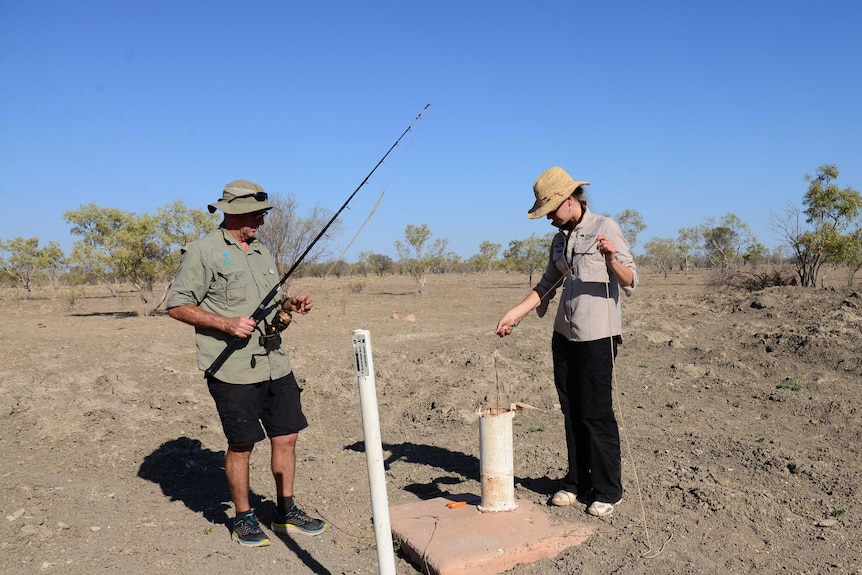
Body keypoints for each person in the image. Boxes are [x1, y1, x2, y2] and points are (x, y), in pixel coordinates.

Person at [166, 180, 326, 546]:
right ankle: (243, 516)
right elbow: (177, 305)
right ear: (233, 212)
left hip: (275, 362)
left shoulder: (261, 252)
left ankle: (285, 511)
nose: (263, 222)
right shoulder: (203, 252)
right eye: (257, 214)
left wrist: (289, 305)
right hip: (232, 369)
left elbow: (271, 302)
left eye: (263, 214)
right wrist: (225, 323)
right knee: (243, 445)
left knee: (287, 436)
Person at [495, 166, 638, 517]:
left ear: (570, 201)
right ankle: (577, 482)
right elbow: (546, 285)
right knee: (571, 410)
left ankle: (608, 489)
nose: (549, 220)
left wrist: (610, 259)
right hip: (564, 336)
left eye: (551, 211)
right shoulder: (559, 239)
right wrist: (515, 313)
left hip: (597, 338)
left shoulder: (606, 228)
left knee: (596, 412)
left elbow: (631, 280)